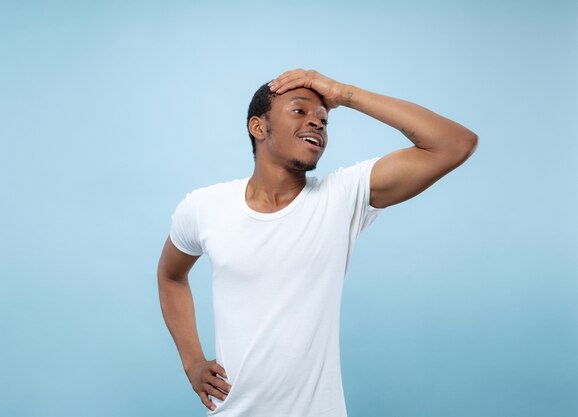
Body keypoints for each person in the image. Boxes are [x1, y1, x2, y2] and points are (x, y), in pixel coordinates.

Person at [157, 69, 478, 416]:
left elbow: (454, 143)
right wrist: (192, 362)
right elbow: (171, 276)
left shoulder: (342, 197)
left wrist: (343, 93)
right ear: (258, 127)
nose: (317, 123)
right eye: (299, 111)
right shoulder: (204, 207)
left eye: (324, 119)